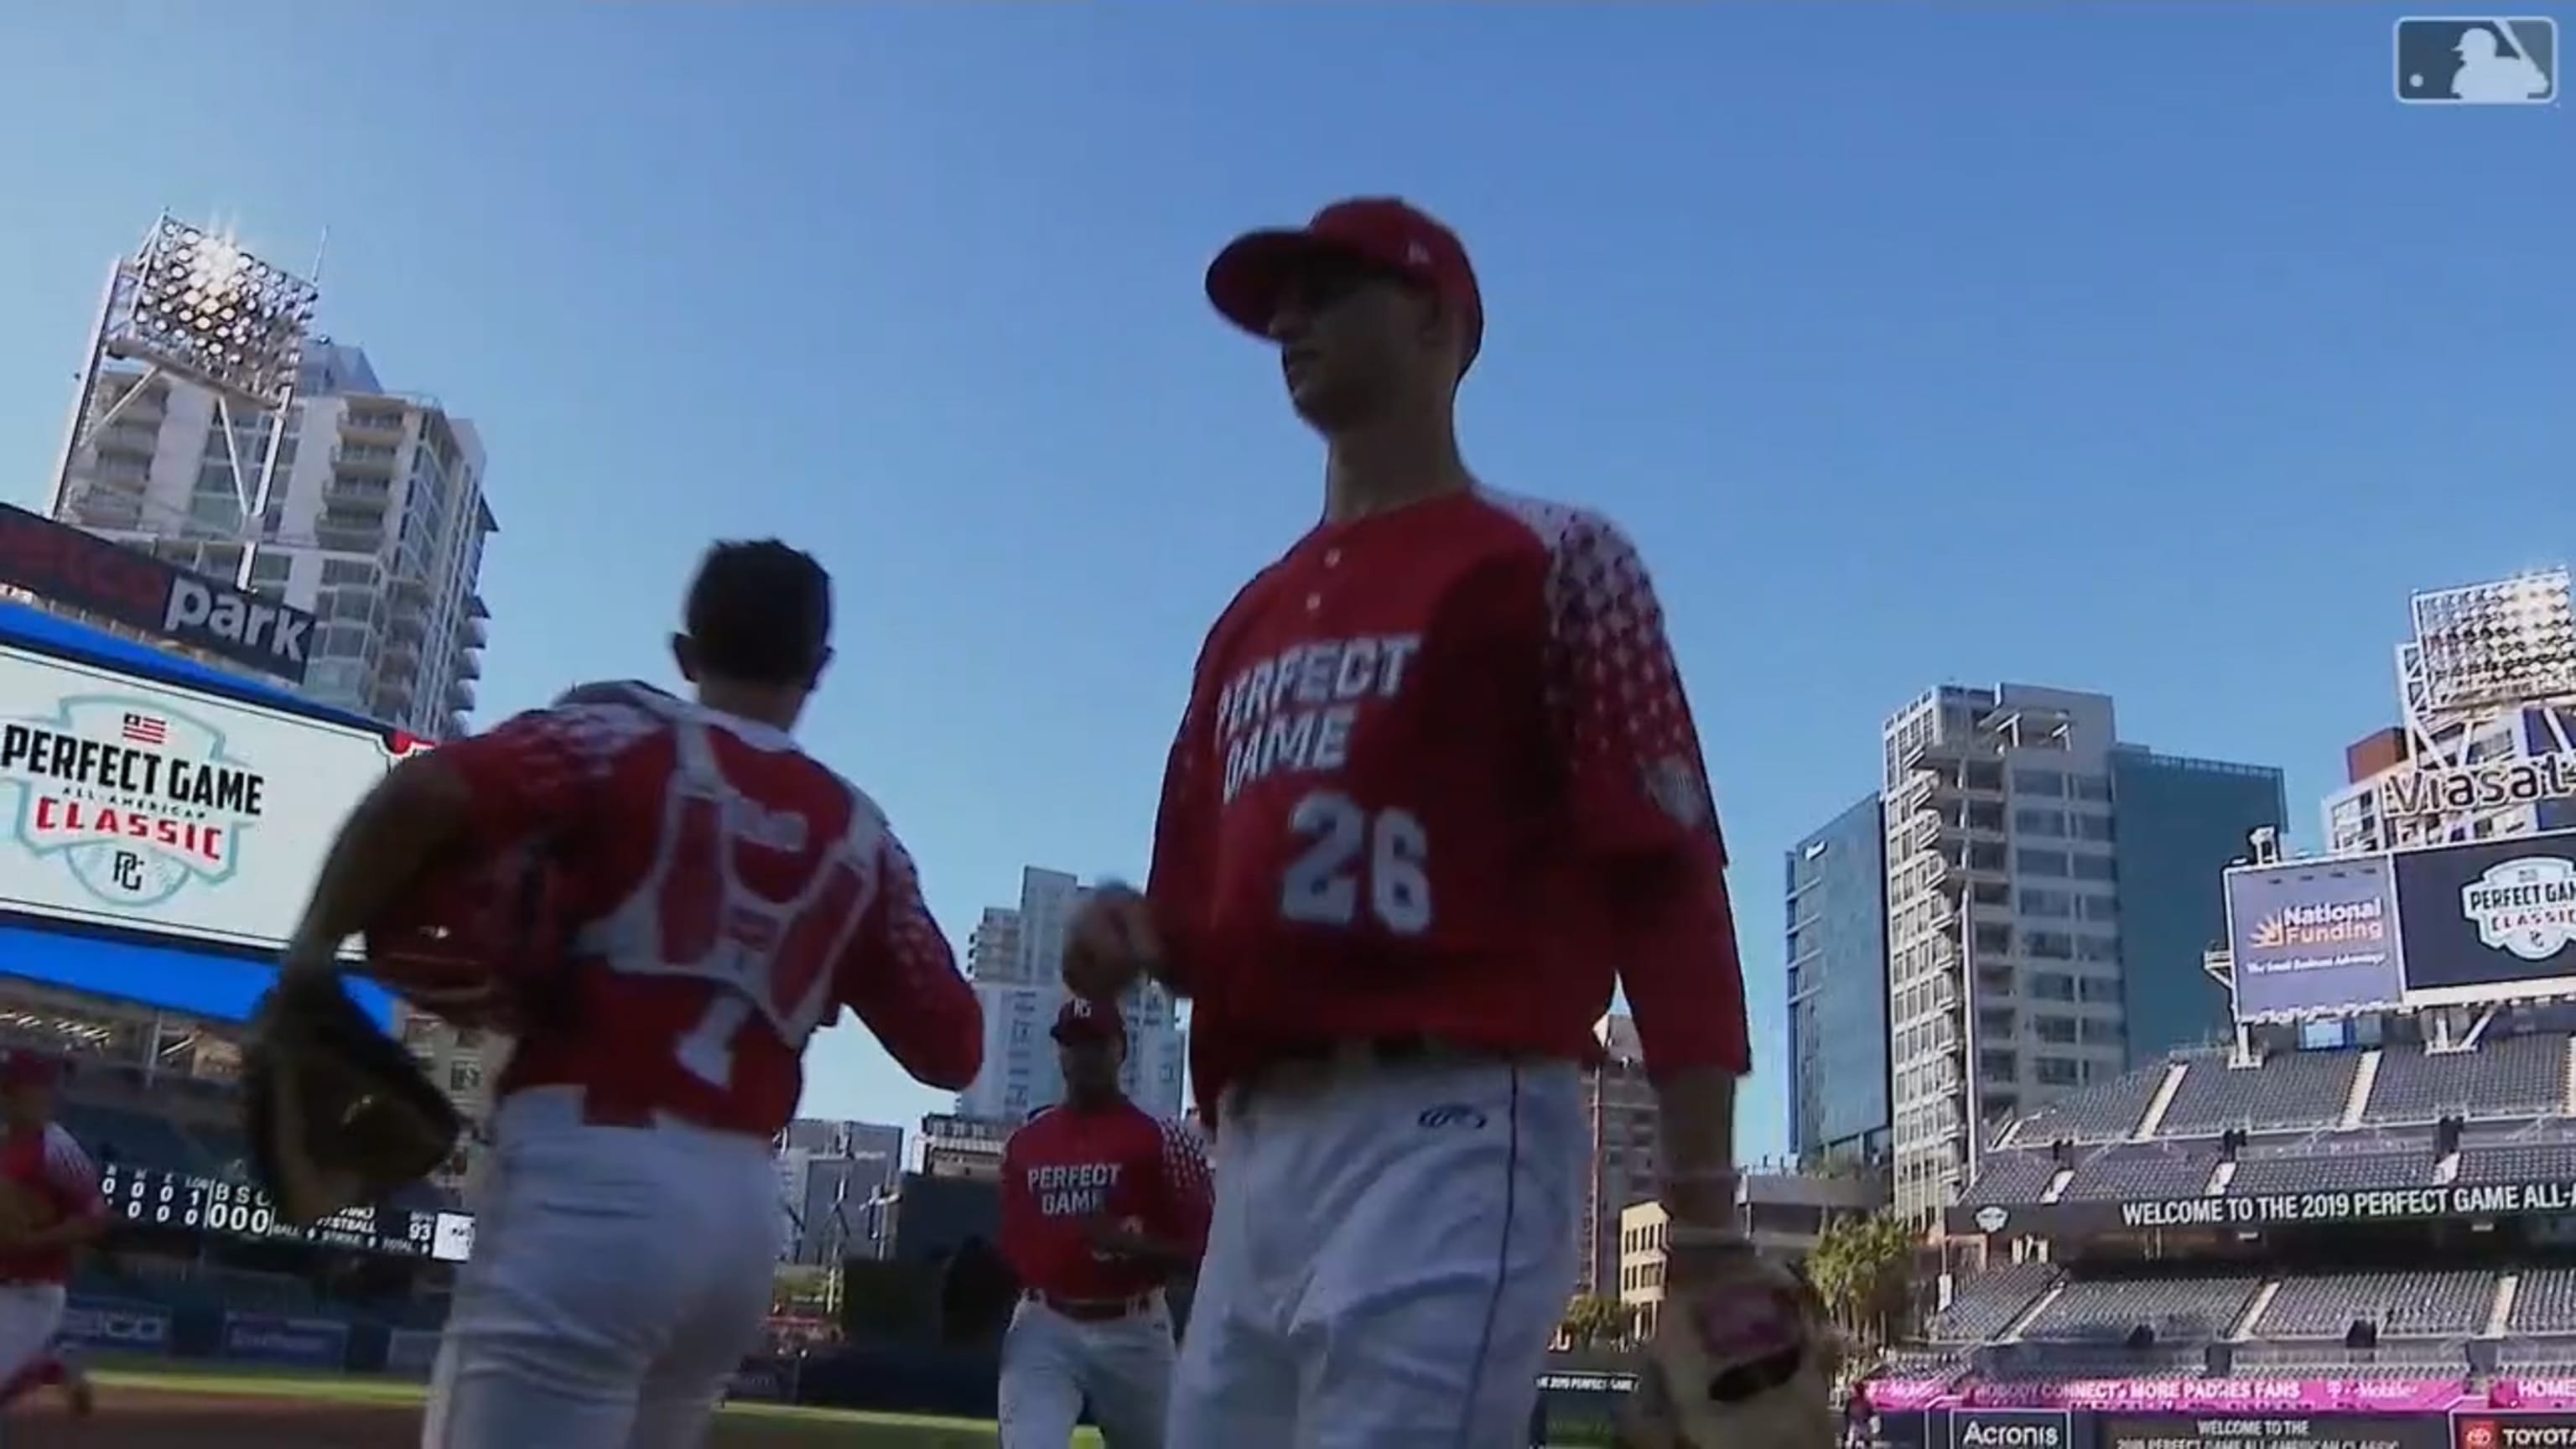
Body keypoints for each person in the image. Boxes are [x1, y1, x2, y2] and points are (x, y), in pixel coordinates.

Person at [1062, 196, 1813, 1446]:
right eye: (1279, 302)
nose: (1289, 322)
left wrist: (1705, 1215)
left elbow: (1666, 882)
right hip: (1255, 1150)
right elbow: (1196, 920)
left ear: (1433, 319)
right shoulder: (1246, 622)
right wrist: (1127, 932)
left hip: (1455, 1124)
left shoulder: (1556, 558)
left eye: (1327, 290)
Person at [275, 538, 984, 1449]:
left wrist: (308, 958)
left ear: (686, 654)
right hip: (738, 1217)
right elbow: (952, 1049)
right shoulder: (865, 836)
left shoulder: (616, 739)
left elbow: (422, 792)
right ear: (819, 669)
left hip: (589, 1176)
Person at [994, 998, 1211, 1448]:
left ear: (1121, 1050)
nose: (1083, 1056)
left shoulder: (1162, 1136)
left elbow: (1209, 1256)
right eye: (1072, 1044)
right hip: (1044, 1321)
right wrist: (990, 1279)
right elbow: (1016, 1250)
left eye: (1096, 1044)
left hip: (1133, 1325)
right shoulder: (1026, 1142)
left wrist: (1137, 1246)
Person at [0, 1054, 101, 1420]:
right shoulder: (5, 1144)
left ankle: (50, 1364)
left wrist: (31, 1242)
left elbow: (93, 1218)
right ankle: (52, 1365)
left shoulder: (57, 1148)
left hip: (34, 1292)